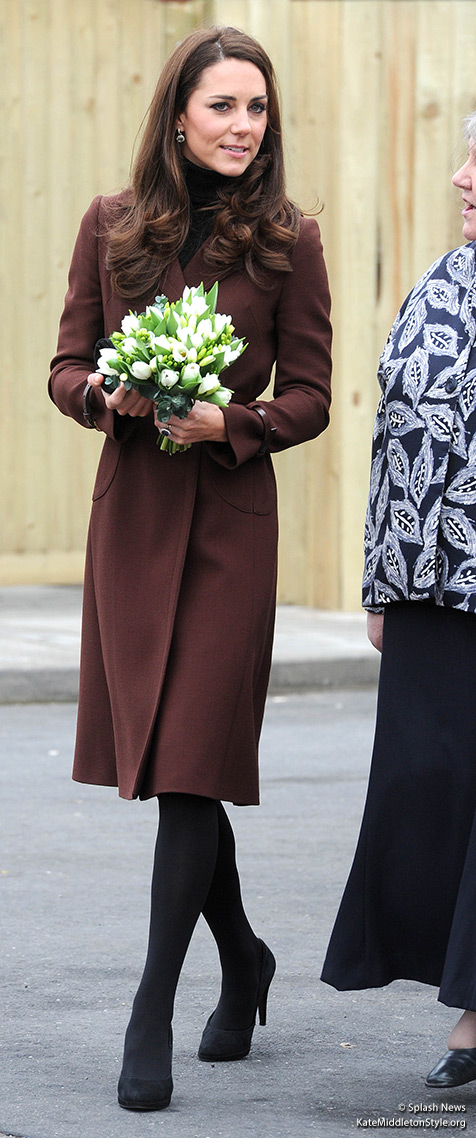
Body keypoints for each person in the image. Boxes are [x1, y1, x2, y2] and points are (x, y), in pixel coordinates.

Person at [50, 25, 332, 1112]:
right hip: (131, 525)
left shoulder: (289, 238)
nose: (241, 127)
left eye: (256, 109)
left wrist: (235, 420)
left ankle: (148, 1010)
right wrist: (99, 398)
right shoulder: (110, 226)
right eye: (222, 107)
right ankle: (245, 955)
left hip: (228, 524)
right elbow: (67, 363)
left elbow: (308, 392)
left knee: (190, 768)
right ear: (178, 114)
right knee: (170, 766)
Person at [321, 112, 476, 1089]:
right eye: (465, 154)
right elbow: (394, 442)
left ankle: (472, 1019)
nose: (463, 176)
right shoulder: (443, 280)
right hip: (428, 585)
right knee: (428, 793)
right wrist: (381, 582)